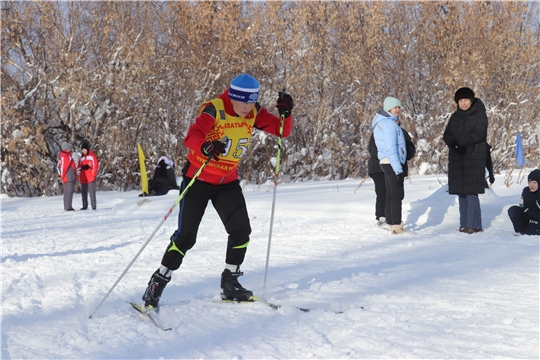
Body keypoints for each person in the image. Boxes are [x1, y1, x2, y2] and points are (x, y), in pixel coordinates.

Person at [140, 74, 294, 309]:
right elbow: (191, 137)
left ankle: (230, 284)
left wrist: (286, 113)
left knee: (241, 230)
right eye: (243, 102)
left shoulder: (254, 112)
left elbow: (281, 130)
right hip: (198, 179)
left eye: (252, 102)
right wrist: (205, 146)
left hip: (227, 181)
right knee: (186, 237)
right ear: (233, 97)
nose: (248, 108)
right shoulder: (215, 109)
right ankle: (157, 283)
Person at [443, 87, 488, 234]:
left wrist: (461, 142)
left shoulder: (479, 114)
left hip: (474, 158)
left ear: (471, 100)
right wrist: (452, 143)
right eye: (460, 101)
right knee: (461, 193)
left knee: (471, 192)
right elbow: (447, 134)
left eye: (465, 100)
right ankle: (463, 224)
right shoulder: (455, 116)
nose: (463, 103)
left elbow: (480, 133)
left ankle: (474, 225)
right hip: (458, 157)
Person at [368, 115, 415, 228]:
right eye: (394, 118)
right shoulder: (380, 130)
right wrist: (386, 158)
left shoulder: (402, 133)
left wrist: (402, 156)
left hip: (398, 166)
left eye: (398, 119)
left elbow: (410, 148)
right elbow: (373, 149)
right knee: (383, 192)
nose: (396, 121)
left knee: (396, 193)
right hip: (379, 167)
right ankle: (382, 216)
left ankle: (391, 219)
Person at [371, 96, 408, 234]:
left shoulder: (383, 123)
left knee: (391, 194)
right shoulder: (388, 125)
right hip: (391, 162)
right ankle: (396, 226)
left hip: (386, 161)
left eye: (399, 107)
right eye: (395, 107)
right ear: (388, 109)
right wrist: (398, 169)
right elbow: (391, 148)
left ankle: (391, 223)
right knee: (396, 194)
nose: (397, 110)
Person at [507, 169, 540, 236]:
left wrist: (529, 211)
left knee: (530, 233)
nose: (531, 185)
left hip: (537, 219)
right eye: (530, 182)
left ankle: (529, 230)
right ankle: (521, 230)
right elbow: (522, 205)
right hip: (528, 216)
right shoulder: (526, 191)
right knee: (513, 210)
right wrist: (525, 211)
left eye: (534, 183)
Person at [57, 142, 78, 211]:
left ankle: (67, 206)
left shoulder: (61, 155)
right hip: (69, 177)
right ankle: (68, 207)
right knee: (69, 192)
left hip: (67, 177)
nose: (70, 148)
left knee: (66, 192)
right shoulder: (66, 156)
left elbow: (58, 167)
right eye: (69, 147)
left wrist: (60, 175)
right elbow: (64, 167)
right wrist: (62, 176)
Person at [78, 141, 99, 210]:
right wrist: (82, 168)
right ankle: (84, 206)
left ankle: (93, 206)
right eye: (82, 150)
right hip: (83, 177)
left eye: (85, 149)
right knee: (84, 192)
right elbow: (79, 167)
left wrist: (93, 174)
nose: (84, 151)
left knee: (91, 192)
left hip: (90, 176)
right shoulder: (81, 158)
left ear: (87, 149)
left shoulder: (92, 156)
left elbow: (95, 166)